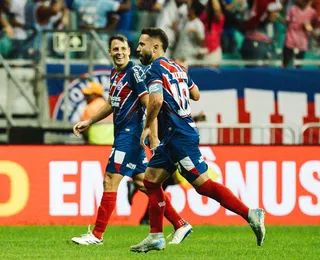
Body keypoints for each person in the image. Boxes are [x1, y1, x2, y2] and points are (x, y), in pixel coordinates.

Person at [130, 27, 266, 253]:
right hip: (173, 136)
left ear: (155, 47)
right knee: (151, 182)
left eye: (142, 44)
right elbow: (196, 94)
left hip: (180, 136)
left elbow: (155, 101)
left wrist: (148, 129)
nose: (138, 48)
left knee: (203, 186)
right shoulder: (178, 67)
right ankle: (155, 235)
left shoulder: (153, 70)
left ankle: (251, 214)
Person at [71, 34, 192, 245]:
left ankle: (97, 235)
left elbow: (150, 104)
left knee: (110, 179)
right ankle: (180, 223)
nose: (119, 52)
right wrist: (89, 121)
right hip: (125, 136)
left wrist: (153, 135)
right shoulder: (114, 73)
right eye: (115, 49)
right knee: (146, 184)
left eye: (123, 49)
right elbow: (111, 103)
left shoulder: (134, 72)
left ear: (129, 50)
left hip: (130, 135)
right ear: (109, 52)